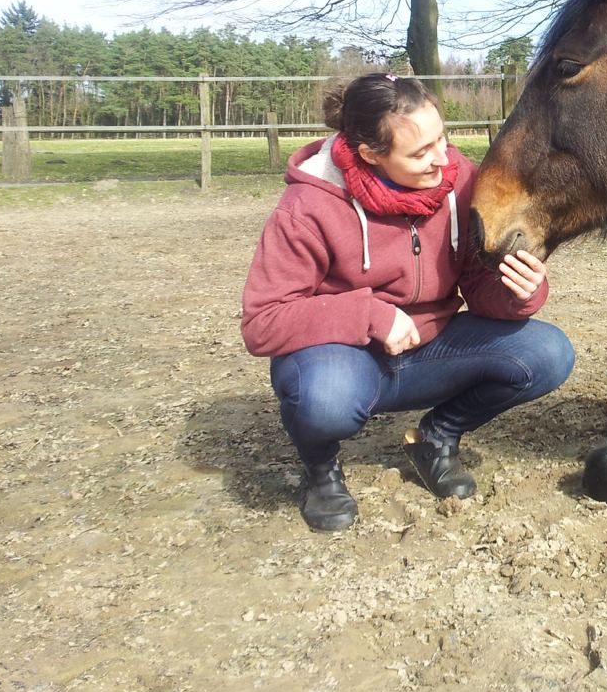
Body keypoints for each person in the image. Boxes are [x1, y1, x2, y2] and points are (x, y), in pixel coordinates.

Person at [241, 73, 575, 531]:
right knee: (325, 401)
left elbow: (477, 285)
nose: (443, 159)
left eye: (442, 138)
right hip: (343, 357)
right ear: (370, 155)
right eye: (420, 152)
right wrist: (370, 315)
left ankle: (436, 436)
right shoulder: (306, 207)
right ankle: (320, 468)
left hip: (429, 350)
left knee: (547, 353)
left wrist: (519, 293)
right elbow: (263, 321)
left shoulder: (459, 183)